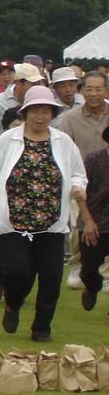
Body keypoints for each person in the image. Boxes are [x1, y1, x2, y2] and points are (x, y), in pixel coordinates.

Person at [0, 85, 87, 342]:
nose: (40, 116)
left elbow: (78, 172)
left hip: (51, 223)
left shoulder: (63, 142)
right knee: (17, 271)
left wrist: (79, 187)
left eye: (46, 111)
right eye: (35, 110)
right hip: (14, 221)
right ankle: (13, 303)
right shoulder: (8, 140)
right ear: (25, 113)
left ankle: (42, 327)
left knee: (50, 277)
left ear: (52, 113)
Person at [57, 70, 109, 288]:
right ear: (82, 91)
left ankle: (104, 273)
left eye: (98, 88)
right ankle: (78, 264)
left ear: (106, 91)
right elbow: (63, 150)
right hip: (80, 179)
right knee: (80, 226)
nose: (94, 93)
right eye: (89, 89)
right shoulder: (70, 118)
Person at [77, 125, 109, 312]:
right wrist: (88, 221)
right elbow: (82, 193)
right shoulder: (94, 160)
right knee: (89, 269)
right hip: (94, 222)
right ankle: (92, 287)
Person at [0, 63, 45, 143]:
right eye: (32, 84)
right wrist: (1, 149)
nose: (36, 87)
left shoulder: (40, 101)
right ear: (18, 82)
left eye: (38, 83)